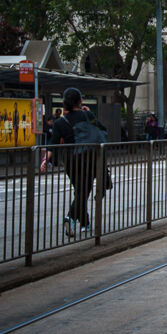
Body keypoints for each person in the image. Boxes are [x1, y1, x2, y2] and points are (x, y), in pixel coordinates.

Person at [50, 87, 106, 238]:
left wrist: (44, 160)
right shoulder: (87, 115)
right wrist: (89, 114)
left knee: (80, 191)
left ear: (65, 103)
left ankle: (85, 222)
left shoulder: (59, 122)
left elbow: (53, 143)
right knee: (83, 191)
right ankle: (70, 217)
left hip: (70, 161)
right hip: (87, 158)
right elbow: (101, 128)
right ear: (80, 101)